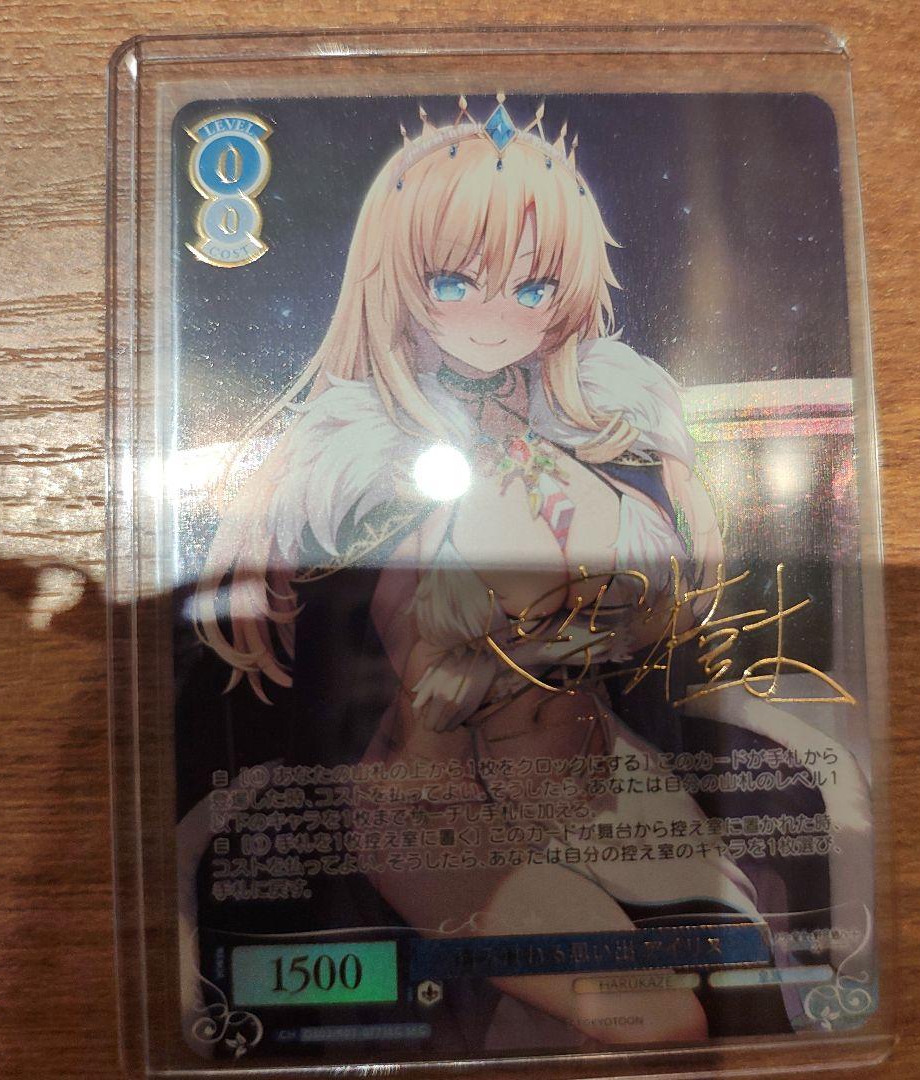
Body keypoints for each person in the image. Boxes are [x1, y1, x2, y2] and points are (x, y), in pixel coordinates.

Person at [195, 95, 763, 1045]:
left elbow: (661, 593)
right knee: (661, 1021)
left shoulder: (582, 419)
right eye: (454, 280)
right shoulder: (374, 460)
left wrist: (659, 496)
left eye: (533, 287)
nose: (496, 316)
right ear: (398, 278)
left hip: (592, 775)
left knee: (748, 971)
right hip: (440, 815)